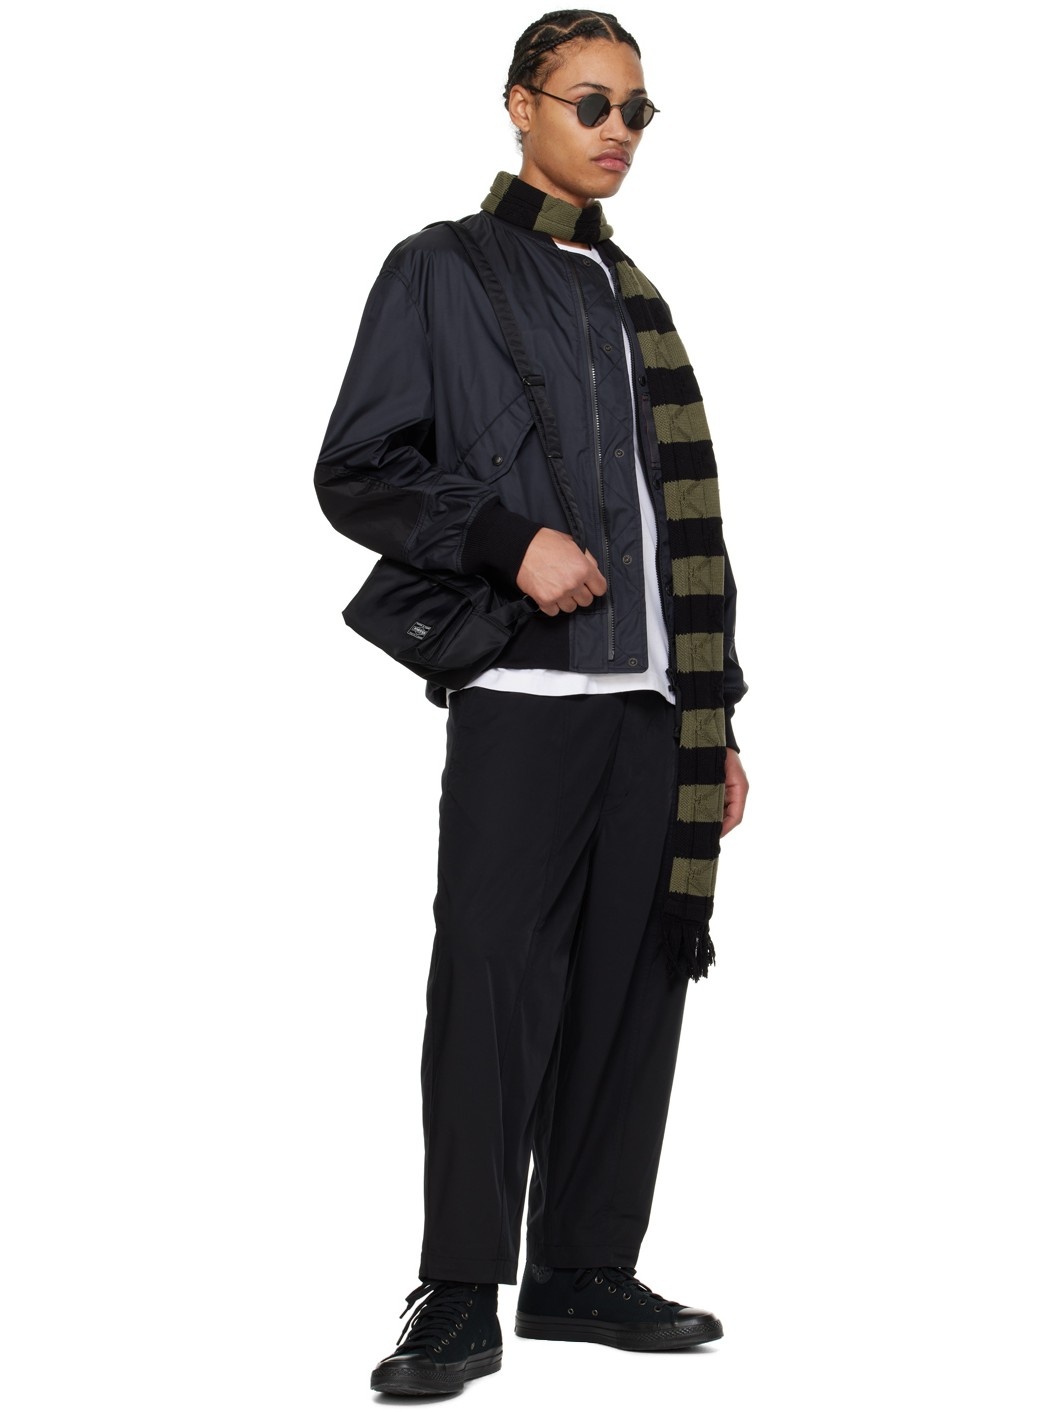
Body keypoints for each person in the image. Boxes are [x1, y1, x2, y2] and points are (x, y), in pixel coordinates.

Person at [314, 9, 750, 1396]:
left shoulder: (632, 295)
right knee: (492, 984)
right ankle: (457, 1291)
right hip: (526, 690)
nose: (619, 131)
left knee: (632, 987)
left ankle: (583, 1268)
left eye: (636, 110)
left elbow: (673, 523)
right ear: (519, 106)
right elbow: (358, 467)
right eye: (589, 103)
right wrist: (509, 541)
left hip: (656, 705)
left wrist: (719, 715)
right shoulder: (442, 267)